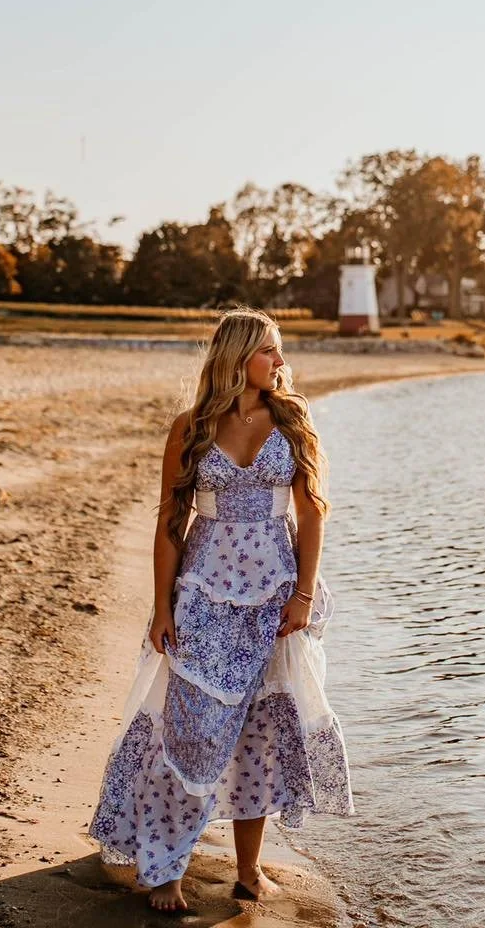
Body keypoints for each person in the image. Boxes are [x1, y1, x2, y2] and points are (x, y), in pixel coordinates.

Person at [88, 307, 353, 912]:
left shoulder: (293, 420)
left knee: (259, 730)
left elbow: (312, 514)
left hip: (273, 599)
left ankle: (249, 869)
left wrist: (303, 595)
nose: (280, 362)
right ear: (236, 357)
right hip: (203, 593)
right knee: (189, 729)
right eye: (269, 351)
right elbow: (169, 524)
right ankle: (164, 864)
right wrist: (162, 609)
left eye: (279, 351)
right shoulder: (190, 428)